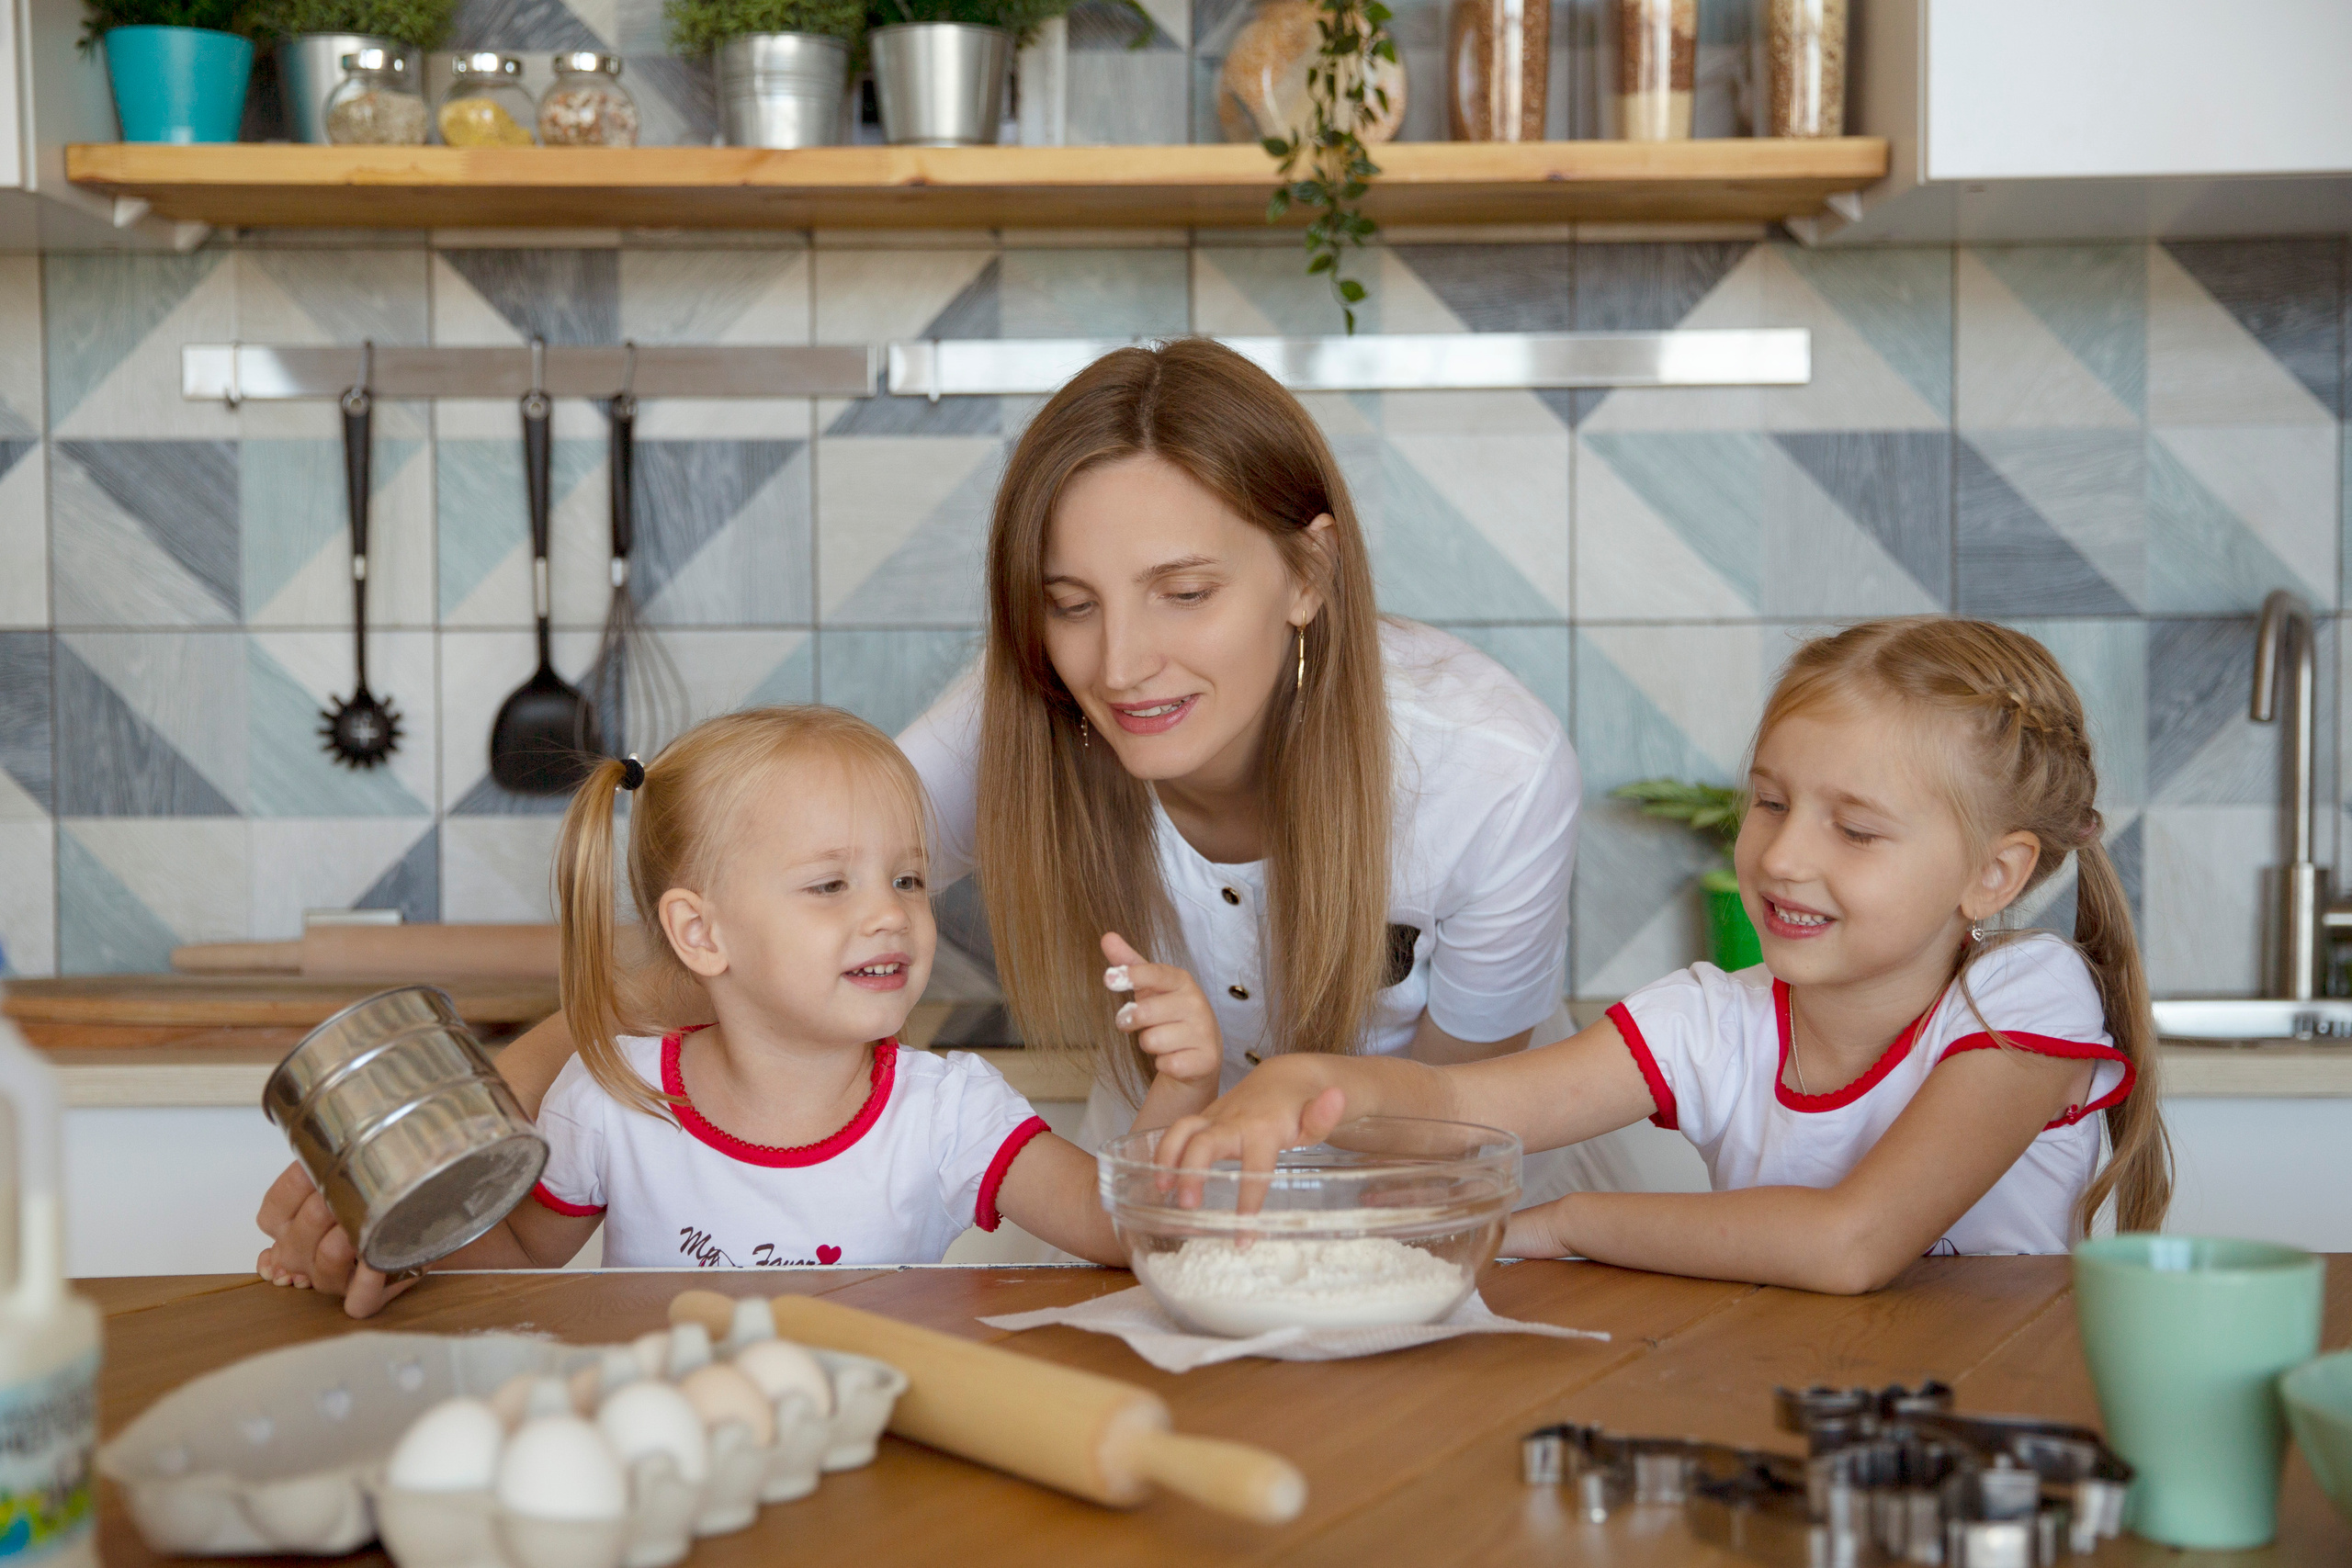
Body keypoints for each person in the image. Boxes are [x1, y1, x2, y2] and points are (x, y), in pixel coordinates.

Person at [258, 338, 1634, 1294]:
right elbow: (756, 900)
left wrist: (1275, 1145)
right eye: (1072, 600)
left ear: (1307, 570)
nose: (1119, 665)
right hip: (1151, 1202)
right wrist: (456, 1129)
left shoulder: (1488, 770)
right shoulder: (1029, 708)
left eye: (1184, 589)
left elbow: (1449, 1116)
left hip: (1426, 1219)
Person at [1157, 618, 2174, 1292]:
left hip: (2000, 1407)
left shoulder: (2021, 999)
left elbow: (1850, 1244)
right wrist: (1306, 1085)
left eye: (1854, 830)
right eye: (1769, 802)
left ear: (1993, 878)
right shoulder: (1707, 1019)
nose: (1780, 855)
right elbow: (1464, 1108)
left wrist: (1568, 1222)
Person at [264, 706, 1222, 1315]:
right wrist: (397, 1234)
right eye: (829, 886)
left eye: (907, 878)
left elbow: (1116, 1234)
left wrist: (1182, 1086)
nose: (889, 912)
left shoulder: (950, 1111)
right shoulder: (614, 1096)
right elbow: (517, 1261)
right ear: (701, 934)